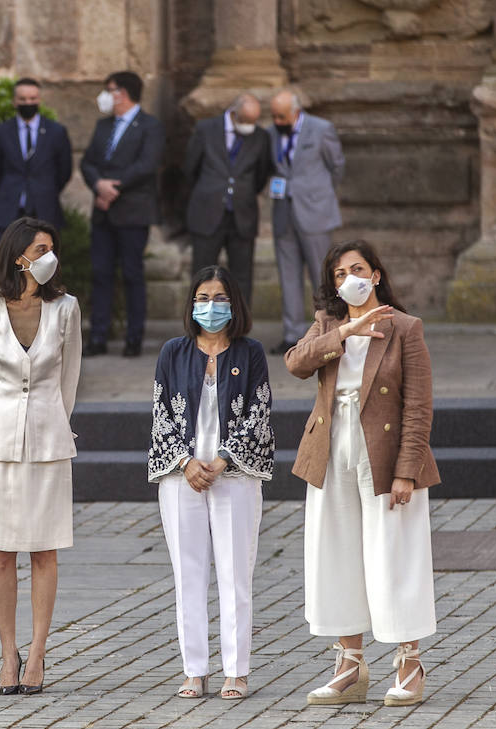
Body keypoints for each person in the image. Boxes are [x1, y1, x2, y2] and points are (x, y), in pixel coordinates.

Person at [283, 239, 438, 707]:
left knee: (393, 553)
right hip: (332, 449)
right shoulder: (330, 325)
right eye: (337, 274)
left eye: (356, 269)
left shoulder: (405, 328)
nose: (347, 278)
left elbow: (419, 405)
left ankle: (410, 662)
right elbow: (295, 362)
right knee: (336, 552)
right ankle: (350, 665)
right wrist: (346, 333)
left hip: (385, 452)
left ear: (375, 274)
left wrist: (407, 471)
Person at [0, 217, 82, 696]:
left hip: (50, 442)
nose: (49, 255)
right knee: (1, 551)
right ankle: (7, 652)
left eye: (52, 247)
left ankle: (37, 653)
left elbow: (69, 379)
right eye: (40, 247)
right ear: (18, 256)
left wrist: (52, 422)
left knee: (46, 549)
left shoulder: (66, 308)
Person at [148, 265, 275, 701]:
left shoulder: (250, 352)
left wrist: (221, 460)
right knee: (189, 573)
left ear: (234, 303)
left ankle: (236, 670)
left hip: (234, 475)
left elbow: (259, 413)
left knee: (236, 571)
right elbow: (161, 413)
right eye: (202, 298)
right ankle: (194, 670)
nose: (210, 306)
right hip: (181, 475)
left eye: (220, 298)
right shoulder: (172, 352)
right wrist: (185, 462)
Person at [79, 70, 163, 358]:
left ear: (122, 93)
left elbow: (146, 164)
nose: (105, 95)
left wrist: (114, 188)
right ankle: (98, 336)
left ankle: (133, 338)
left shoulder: (150, 126)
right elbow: (88, 162)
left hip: (132, 212)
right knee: (101, 274)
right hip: (103, 213)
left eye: (110, 89)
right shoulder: (104, 126)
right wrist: (98, 185)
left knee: (132, 274)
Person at [268, 90, 345, 354]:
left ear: (296, 112)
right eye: (274, 116)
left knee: (321, 275)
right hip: (283, 212)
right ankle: (292, 334)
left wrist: (318, 195)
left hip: (315, 212)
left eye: (282, 116)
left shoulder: (322, 129)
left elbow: (337, 167)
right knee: (288, 276)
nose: (277, 121)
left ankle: (328, 332)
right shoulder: (271, 133)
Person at [183, 93, 274, 307]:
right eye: (246, 121)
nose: (249, 126)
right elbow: (190, 169)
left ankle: (239, 331)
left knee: (241, 278)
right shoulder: (206, 129)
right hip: (207, 214)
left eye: (253, 121)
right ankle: (200, 328)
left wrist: (241, 193)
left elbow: (261, 175)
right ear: (233, 114)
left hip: (242, 216)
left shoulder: (261, 137)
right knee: (203, 275)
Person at [0, 78, 73, 247]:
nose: (28, 103)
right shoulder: (1, 132)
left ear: (39, 100)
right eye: (23, 99)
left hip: (45, 211)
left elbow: (64, 170)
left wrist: (44, 189)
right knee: (7, 266)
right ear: (14, 101)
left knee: (44, 267)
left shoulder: (56, 132)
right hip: (9, 211)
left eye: (33, 99)